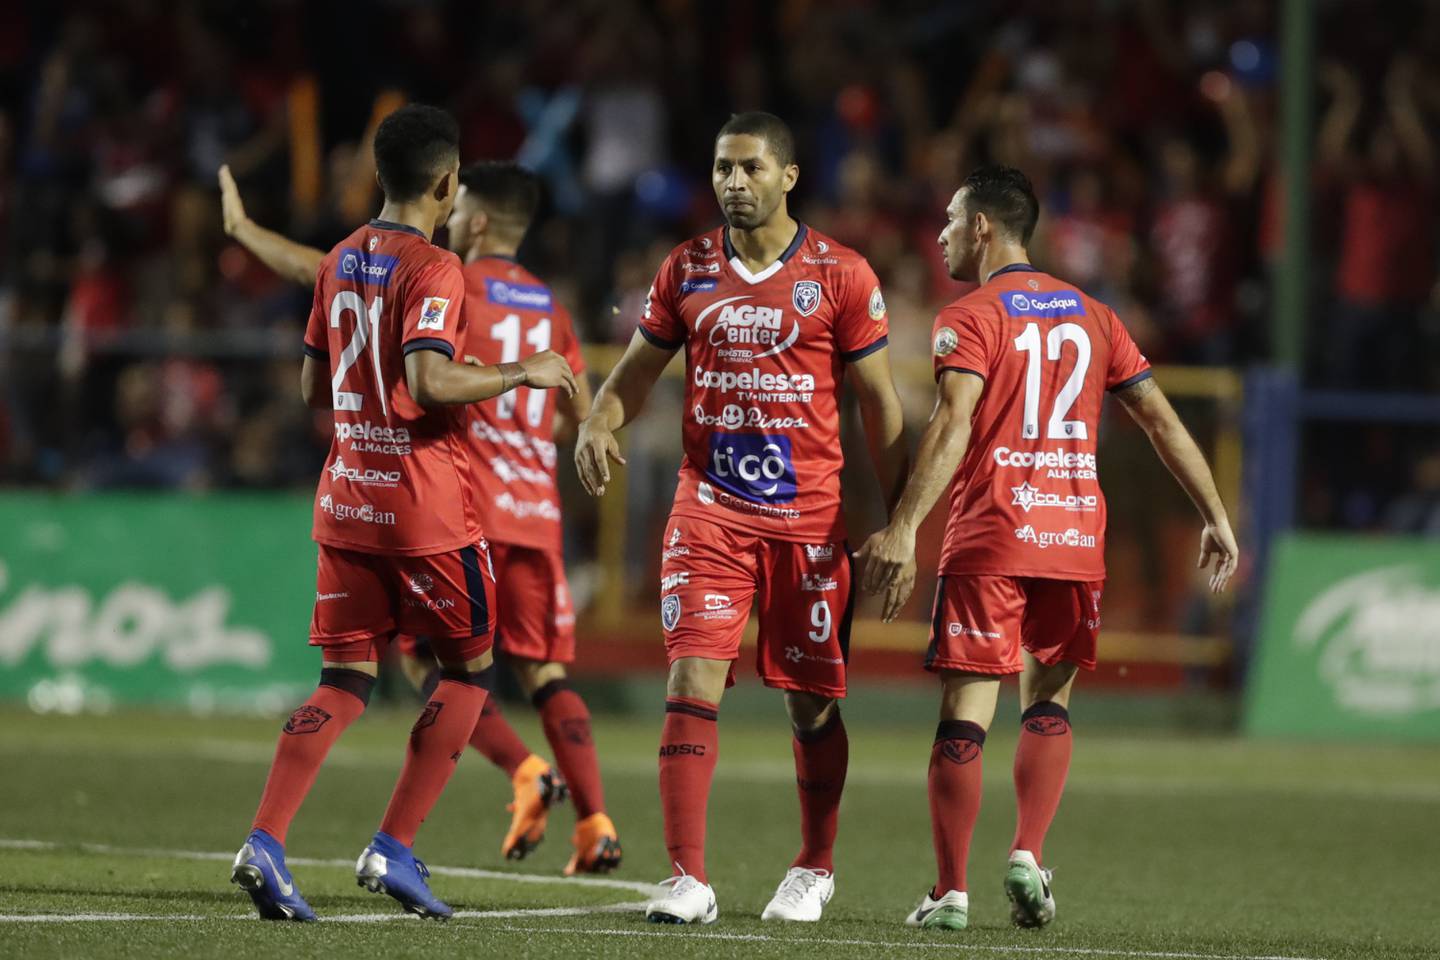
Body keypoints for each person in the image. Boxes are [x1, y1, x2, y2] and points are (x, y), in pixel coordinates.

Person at [857, 165, 1239, 931]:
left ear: (983, 229)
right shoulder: (1097, 314)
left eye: (950, 220)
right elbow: (1161, 420)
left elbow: (955, 421)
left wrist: (902, 526)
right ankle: (1029, 850)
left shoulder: (968, 315)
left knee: (968, 708)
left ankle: (950, 892)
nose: (938, 235)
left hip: (992, 532)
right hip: (1071, 536)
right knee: (1049, 699)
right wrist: (1215, 512)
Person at [219, 161, 620, 874]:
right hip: (537, 513)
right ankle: (595, 821)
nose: (451, 215)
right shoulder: (550, 309)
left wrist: (250, 235)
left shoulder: (445, 274)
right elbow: (574, 416)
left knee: (415, 664)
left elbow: (334, 275)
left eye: (461, 207)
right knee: (544, 673)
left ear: (479, 220)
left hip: (457, 507)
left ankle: (521, 772)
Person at [575, 111, 909, 925]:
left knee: (810, 704)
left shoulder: (841, 275)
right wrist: (597, 420)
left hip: (809, 523)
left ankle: (815, 867)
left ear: (788, 177)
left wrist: (899, 522)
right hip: (710, 513)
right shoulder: (685, 268)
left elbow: (881, 408)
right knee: (691, 677)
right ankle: (688, 875)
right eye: (723, 167)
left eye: (751, 168)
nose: (733, 182)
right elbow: (633, 377)